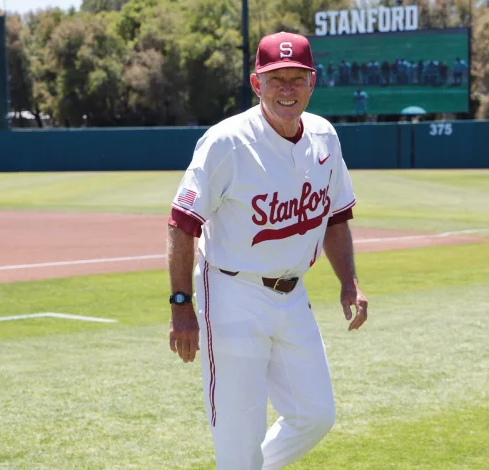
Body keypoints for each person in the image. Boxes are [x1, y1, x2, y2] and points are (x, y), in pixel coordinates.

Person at [165, 31, 369, 470]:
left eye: (297, 78)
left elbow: (335, 217)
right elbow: (182, 224)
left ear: (312, 82)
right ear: (257, 84)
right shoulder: (226, 142)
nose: (288, 90)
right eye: (277, 79)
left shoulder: (325, 137)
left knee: (315, 415)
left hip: (293, 296)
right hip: (232, 294)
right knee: (240, 436)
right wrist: (182, 304)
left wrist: (348, 282)